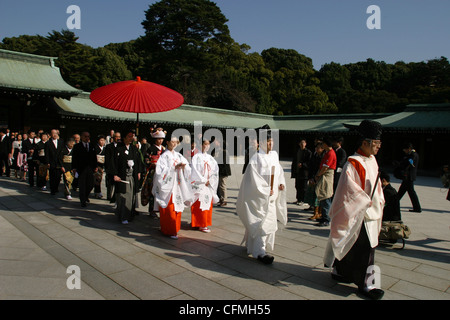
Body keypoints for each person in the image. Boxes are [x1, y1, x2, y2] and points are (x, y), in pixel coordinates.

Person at [324, 120, 385, 300]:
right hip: (359, 211)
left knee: (355, 245)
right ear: (365, 142)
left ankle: (340, 271)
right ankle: (368, 285)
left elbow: (377, 185)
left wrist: (379, 199)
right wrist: (364, 202)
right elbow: (347, 190)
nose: (378, 146)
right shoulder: (353, 162)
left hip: (370, 210)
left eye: (379, 143)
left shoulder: (372, 160)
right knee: (365, 249)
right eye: (376, 143)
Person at [236, 129, 287, 265]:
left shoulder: (274, 155)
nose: (271, 144)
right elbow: (252, 178)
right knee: (262, 224)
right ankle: (260, 252)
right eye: (268, 141)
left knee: (267, 223)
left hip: (271, 197)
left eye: (272, 141)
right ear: (262, 143)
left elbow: (279, 171)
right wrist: (265, 189)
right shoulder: (256, 157)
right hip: (260, 197)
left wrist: (281, 183)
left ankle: (253, 245)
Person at [152, 136, 193, 239]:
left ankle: (175, 228)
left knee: (177, 208)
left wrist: (184, 167)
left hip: (178, 186)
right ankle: (168, 230)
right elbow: (159, 172)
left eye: (176, 142)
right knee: (169, 208)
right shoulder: (163, 156)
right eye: (172, 142)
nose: (174, 144)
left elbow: (188, 167)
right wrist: (173, 168)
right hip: (168, 187)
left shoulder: (179, 155)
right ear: (167, 142)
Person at [112, 129, 143, 224]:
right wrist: (114, 174)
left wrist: (138, 172)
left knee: (132, 196)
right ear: (124, 137)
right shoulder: (118, 149)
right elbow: (113, 163)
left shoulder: (134, 148)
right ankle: (123, 216)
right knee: (123, 196)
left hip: (132, 175)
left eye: (132, 136)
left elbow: (138, 161)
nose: (131, 138)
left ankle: (130, 214)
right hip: (122, 175)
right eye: (129, 136)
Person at [191, 139, 219, 233]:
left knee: (206, 204)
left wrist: (210, 181)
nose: (207, 146)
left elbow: (215, 171)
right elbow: (194, 170)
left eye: (208, 144)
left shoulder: (211, 158)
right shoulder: (196, 157)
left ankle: (204, 224)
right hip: (200, 184)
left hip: (208, 185)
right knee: (199, 205)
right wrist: (203, 180)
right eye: (205, 144)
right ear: (201, 145)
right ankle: (198, 223)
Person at [143, 127, 166, 219]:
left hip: (162, 173)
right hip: (153, 172)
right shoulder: (150, 149)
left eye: (161, 139)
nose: (160, 141)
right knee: (152, 190)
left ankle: (158, 209)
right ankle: (152, 209)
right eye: (158, 139)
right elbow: (146, 160)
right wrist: (153, 163)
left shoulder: (164, 149)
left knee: (160, 191)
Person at [314, 137, 336, 227]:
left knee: (326, 196)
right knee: (323, 196)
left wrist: (318, 175)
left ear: (326, 144)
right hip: (324, 174)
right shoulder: (327, 153)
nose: (322, 145)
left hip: (326, 175)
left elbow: (325, 167)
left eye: (323, 144)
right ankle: (323, 216)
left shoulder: (331, 153)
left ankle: (326, 218)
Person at [72, 132, 97, 207]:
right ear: (82, 137)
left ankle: (86, 195)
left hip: (90, 168)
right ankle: (83, 200)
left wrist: (95, 166)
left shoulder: (92, 146)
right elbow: (74, 157)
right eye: (85, 136)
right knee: (82, 185)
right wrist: (74, 168)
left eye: (88, 136)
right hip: (81, 168)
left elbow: (94, 157)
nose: (87, 138)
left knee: (91, 184)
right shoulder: (77, 146)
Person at [397, 142, 421, 213]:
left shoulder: (413, 155)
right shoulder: (412, 155)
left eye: (405, 149)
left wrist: (402, 167)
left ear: (409, 149)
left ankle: (417, 208)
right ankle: (394, 203)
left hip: (409, 176)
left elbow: (409, 164)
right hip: (408, 176)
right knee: (402, 192)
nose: (404, 151)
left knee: (409, 192)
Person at [291, 138, 312, 206]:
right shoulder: (297, 151)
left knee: (303, 187)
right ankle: (298, 199)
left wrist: (303, 165)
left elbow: (310, 162)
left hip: (304, 173)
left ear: (305, 144)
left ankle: (303, 200)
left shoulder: (308, 152)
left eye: (303, 143)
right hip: (298, 172)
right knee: (297, 186)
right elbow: (294, 162)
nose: (302, 144)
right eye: (301, 143)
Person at [212, 136, 231, 207]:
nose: (214, 143)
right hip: (218, 171)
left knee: (222, 185)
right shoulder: (215, 150)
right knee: (219, 186)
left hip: (223, 171)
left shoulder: (223, 151)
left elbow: (224, 163)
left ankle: (224, 199)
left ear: (219, 143)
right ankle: (220, 199)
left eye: (215, 141)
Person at [45, 129, 64, 195]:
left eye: (56, 133)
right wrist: (47, 162)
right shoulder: (48, 143)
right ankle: (52, 189)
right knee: (52, 176)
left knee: (58, 176)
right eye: (53, 133)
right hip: (52, 161)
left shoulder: (61, 142)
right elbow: (46, 153)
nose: (55, 135)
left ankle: (56, 188)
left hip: (59, 162)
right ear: (50, 135)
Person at [105, 131, 122, 203]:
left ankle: (114, 197)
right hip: (111, 166)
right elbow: (107, 158)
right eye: (116, 137)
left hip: (118, 166)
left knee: (117, 183)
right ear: (113, 137)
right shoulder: (109, 146)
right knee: (110, 182)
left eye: (119, 137)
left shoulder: (121, 146)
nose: (118, 138)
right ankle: (109, 195)